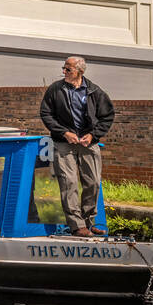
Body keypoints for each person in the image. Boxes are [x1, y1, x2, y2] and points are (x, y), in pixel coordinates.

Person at [40, 55, 115, 237]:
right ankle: (76, 225)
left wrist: (93, 135)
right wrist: (64, 133)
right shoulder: (55, 89)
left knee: (93, 182)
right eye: (64, 68)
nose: (63, 71)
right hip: (63, 143)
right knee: (69, 182)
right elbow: (46, 114)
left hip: (89, 143)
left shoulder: (95, 91)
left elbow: (107, 116)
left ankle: (89, 222)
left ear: (79, 71)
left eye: (68, 69)